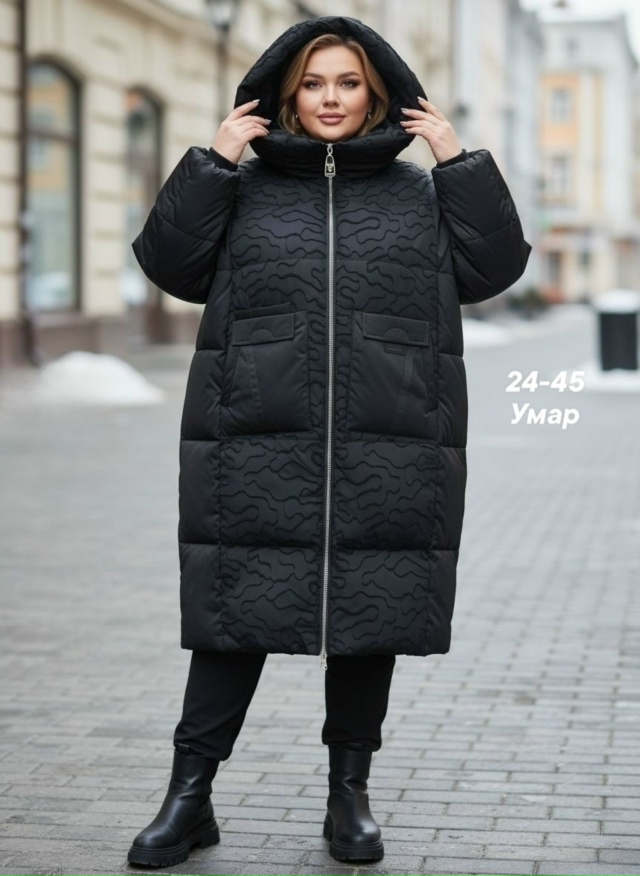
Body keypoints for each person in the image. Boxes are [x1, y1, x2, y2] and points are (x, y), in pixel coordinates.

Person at [126, 14, 532, 869]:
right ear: (286, 94)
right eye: (313, 84)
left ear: (378, 93)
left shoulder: (420, 194)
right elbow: (169, 266)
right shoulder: (242, 187)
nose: (331, 99)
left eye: (348, 83)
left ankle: (349, 796)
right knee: (231, 618)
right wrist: (213, 163)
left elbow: (494, 268)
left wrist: (457, 162)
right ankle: (189, 796)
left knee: (367, 618)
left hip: (392, 438)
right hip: (250, 436)